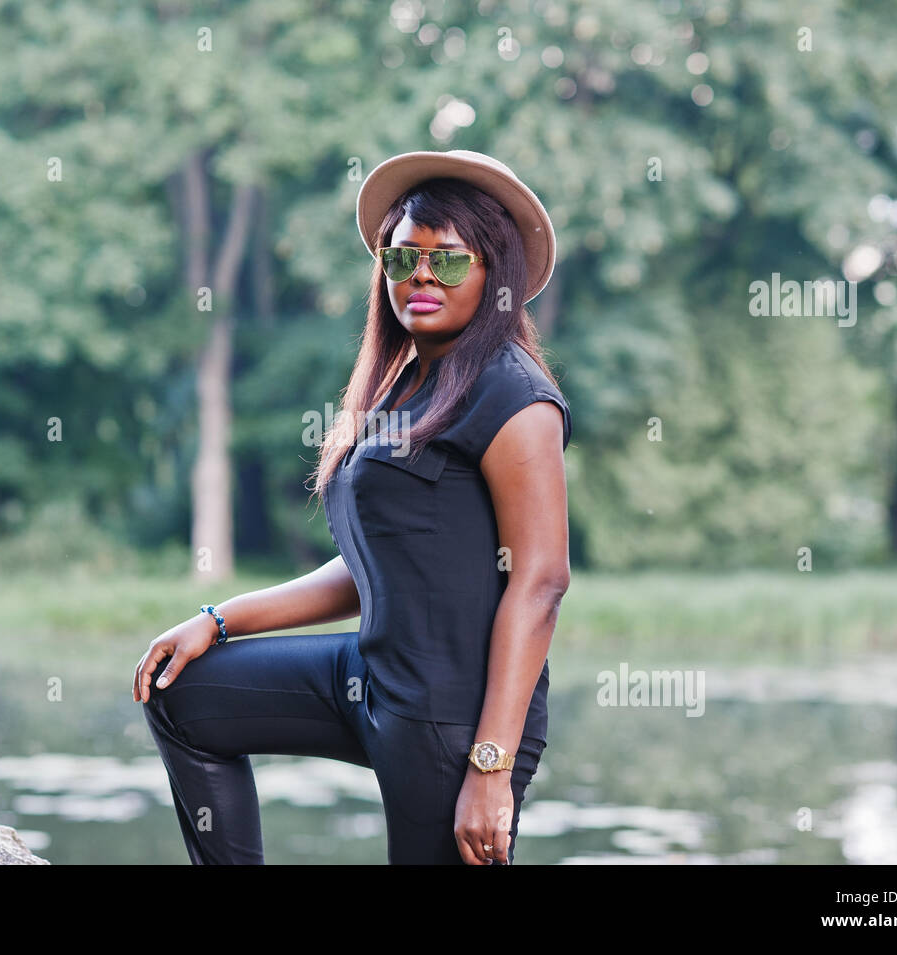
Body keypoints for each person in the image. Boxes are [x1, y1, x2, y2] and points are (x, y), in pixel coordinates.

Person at [133, 149, 573, 865]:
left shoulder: (512, 393)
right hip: (369, 679)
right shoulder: (407, 385)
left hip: (454, 718)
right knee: (181, 695)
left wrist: (490, 767)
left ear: (496, 274)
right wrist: (218, 620)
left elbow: (541, 581)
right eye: (403, 260)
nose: (422, 276)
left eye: (449, 260)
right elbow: (373, 566)